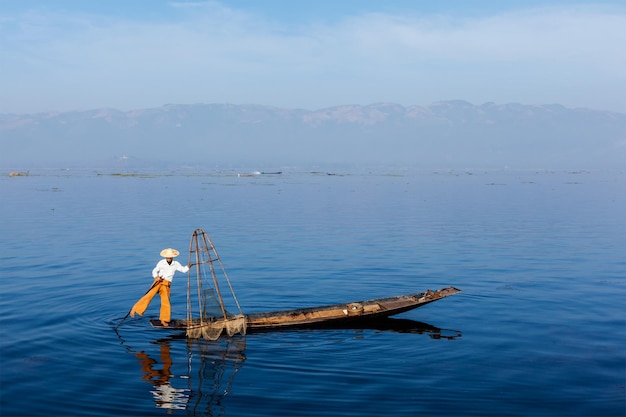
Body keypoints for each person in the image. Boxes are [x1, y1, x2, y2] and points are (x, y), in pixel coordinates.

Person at [130, 248, 192, 326]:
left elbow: (183, 270)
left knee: (166, 302)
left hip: (167, 284)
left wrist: (188, 267)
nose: (169, 258)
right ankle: (134, 309)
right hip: (158, 282)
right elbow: (154, 271)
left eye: (170, 257)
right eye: (167, 257)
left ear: (172, 257)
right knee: (148, 296)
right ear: (165, 257)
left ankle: (163, 320)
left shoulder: (176, 264)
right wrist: (156, 277)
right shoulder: (161, 263)